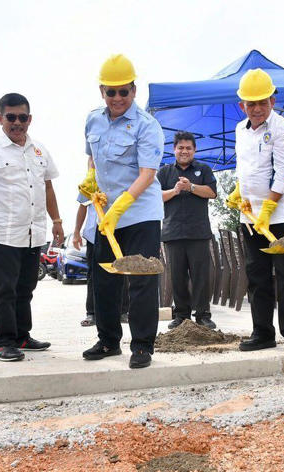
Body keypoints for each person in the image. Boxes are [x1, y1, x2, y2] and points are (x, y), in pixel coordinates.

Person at [81, 54, 165, 369]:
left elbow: (147, 174)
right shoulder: (93, 120)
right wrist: (90, 178)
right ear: (102, 91)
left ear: (134, 90)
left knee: (141, 278)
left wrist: (121, 206)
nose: (117, 98)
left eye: (124, 92)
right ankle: (108, 341)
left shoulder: (147, 125)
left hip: (140, 213)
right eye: (111, 92)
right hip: (105, 214)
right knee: (104, 279)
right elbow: (92, 157)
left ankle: (142, 346)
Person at [225, 68, 284, 356]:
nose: (257, 108)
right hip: (250, 215)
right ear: (242, 106)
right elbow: (246, 168)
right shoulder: (240, 130)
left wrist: (269, 208)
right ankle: (262, 332)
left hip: (283, 214)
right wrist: (238, 191)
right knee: (256, 274)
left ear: (272, 100)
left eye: (263, 102)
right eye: (252, 104)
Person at [0, 93, 60, 362]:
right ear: (0, 118)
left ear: (30, 119)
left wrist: (57, 221)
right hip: (4, 232)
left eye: (22, 117)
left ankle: (21, 336)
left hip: (34, 232)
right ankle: (1, 342)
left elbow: (47, 187)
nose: (17, 122)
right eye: (11, 117)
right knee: (4, 289)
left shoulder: (39, 150)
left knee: (26, 287)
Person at [158, 131, 217, 330]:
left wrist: (190, 186)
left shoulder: (204, 169)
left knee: (201, 275)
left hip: (198, 232)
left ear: (194, 150)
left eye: (188, 148)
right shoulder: (164, 172)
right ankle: (182, 315)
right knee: (177, 276)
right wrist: (175, 191)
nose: (184, 151)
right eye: (180, 148)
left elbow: (212, 193)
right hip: (173, 232)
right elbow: (155, 197)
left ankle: (203, 315)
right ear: (174, 149)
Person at [73, 194, 129, 327]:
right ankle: (92, 313)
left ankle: (123, 311)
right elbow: (82, 207)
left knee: (122, 271)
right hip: (93, 234)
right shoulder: (89, 185)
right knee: (93, 275)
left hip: (117, 232)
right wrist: (76, 232)